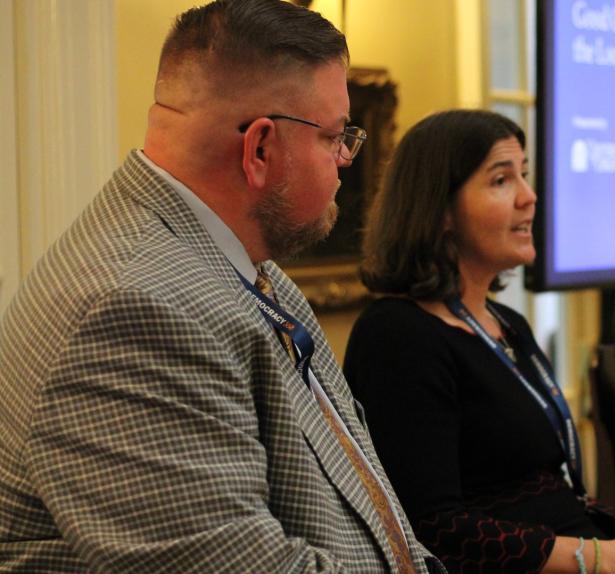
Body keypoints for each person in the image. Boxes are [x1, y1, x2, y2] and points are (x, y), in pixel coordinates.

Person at [0, 1, 438, 571]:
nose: (345, 160)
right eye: (335, 137)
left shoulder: (246, 263)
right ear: (259, 149)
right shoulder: (129, 309)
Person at [343, 109, 615, 574]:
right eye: (502, 180)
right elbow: (431, 528)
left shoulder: (508, 323)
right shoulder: (398, 336)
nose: (529, 197)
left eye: (524, 175)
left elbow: (535, 493)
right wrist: (600, 557)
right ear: (439, 208)